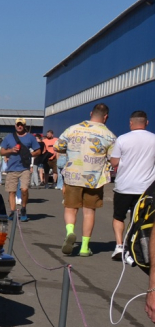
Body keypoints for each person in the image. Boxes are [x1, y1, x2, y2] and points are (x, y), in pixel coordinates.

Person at [56, 103, 116, 256]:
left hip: (73, 176)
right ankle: (84, 247)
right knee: (89, 212)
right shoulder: (109, 135)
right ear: (106, 117)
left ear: (91, 113)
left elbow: (58, 146)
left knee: (70, 208)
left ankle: (70, 231)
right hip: (94, 179)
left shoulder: (73, 129)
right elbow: (113, 158)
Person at [109, 111, 155, 260]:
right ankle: (134, 247)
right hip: (146, 188)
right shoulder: (153, 139)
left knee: (119, 216)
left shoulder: (122, 139)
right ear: (146, 123)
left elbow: (114, 162)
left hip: (124, 186)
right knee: (140, 218)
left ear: (131, 123)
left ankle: (119, 246)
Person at [0, 118, 42, 221]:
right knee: (11, 191)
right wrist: (11, 150)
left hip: (24, 167)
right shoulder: (9, 137)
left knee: (24, 189)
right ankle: (13, 212)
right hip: (12, 168)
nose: (19, 126)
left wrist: (29, 154)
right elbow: (1, 152)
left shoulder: (30, 137)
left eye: (21, 125)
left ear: (24, 126)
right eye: (18, 124)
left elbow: (38, 151)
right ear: (15, 125)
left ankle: (23, 208)